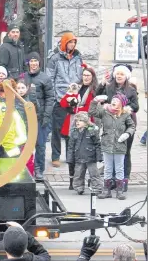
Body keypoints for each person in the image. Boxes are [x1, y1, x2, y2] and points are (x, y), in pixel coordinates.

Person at [96, 64, 139, 192]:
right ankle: (112, 180)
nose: (119, 76)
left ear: (126, 76)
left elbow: (136, 106)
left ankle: (124, 180)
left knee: (124, 153)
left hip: (125, 125)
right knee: (111, 152)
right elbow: (98, 97)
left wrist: (123, 108)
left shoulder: (131, 90)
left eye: (122, 74)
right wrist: (102, 84)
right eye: (118, 74)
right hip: (110, 124)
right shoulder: (109, 87)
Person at [46, 31, 83, 168]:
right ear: (64, 43)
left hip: (73, 97)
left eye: (74, 42)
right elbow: (50, 77)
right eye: (70, 42)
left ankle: (70, 155)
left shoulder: (78, 57)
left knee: (72, 128)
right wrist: (55, 96)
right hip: (60, 97)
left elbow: (80, 75)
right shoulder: (55, 58)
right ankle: (55, 156)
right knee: (57, 129)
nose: (72, 45)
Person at [58, 66, 98, 189]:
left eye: (88, 75)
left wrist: (78, 108)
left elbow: (92, 108)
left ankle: (85, 180)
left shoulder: (94, 90)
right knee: (71, 153)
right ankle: (73, 181)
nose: (85, 77)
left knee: (86, 154)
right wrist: (70, 96)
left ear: (92, 77)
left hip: (86, 125)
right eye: (84, 75)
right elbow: (63, 103)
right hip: (72, 124)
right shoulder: (76, 87)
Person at [90, 94, 135, 200]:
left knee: (119, 168)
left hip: (120, 145)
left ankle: (119, 191)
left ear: (121, 104)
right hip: (107, 144)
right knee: (108, 168)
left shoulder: (125, 115)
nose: (113, 101)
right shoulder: (105, 112)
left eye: (116, 100)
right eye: (113, 99)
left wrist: (127, 134)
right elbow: (92, 112)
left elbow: (132, 126)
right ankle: (106, 190)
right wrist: (95, 101)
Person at [22, 52, 54, 179]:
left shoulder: (45, 78)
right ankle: (26, 167)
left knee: (40, 145)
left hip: (39, 117)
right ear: (28, 63)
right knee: (24, 145)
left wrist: (46, 116)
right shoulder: (23, 77)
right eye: (31, 61)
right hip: (25, 117)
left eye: (36, 61)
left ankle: (39, 169)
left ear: (39, 63)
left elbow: (50, 98)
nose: (34, 63)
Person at [0, 79, 27, 158]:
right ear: (1, 93)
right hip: (4, 150)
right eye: (9, 91)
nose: (12, 94)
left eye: (13, 91)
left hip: (14, 148)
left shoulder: (13, 106)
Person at [67, 112, 102, 195]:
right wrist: (70, 158)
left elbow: (97, 144)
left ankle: (97, 188)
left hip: (90, 157)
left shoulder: (92, 131)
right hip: (79, 157)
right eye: (76, 121)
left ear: (86, 122)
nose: (77, 122)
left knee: (94, 174)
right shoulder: (74, 132)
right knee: (78, 174)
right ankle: (79, 188)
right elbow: (71, 147)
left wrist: (99, 157)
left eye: (80, 120)